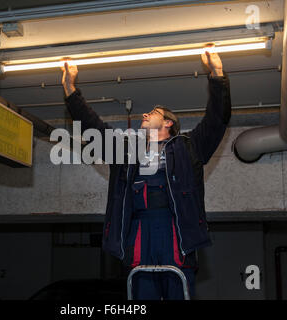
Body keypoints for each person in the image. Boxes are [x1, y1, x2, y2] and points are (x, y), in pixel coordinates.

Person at [61, 44, 232, 300]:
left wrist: (217, 74)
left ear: (168, 122)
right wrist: (70, 89)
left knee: (179, 292)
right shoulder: (126, 150)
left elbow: (217, 118)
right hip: (139, 232)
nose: (144, 113)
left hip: (176, 233)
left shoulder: (190, 147)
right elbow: (92, 127)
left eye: (152, 113)